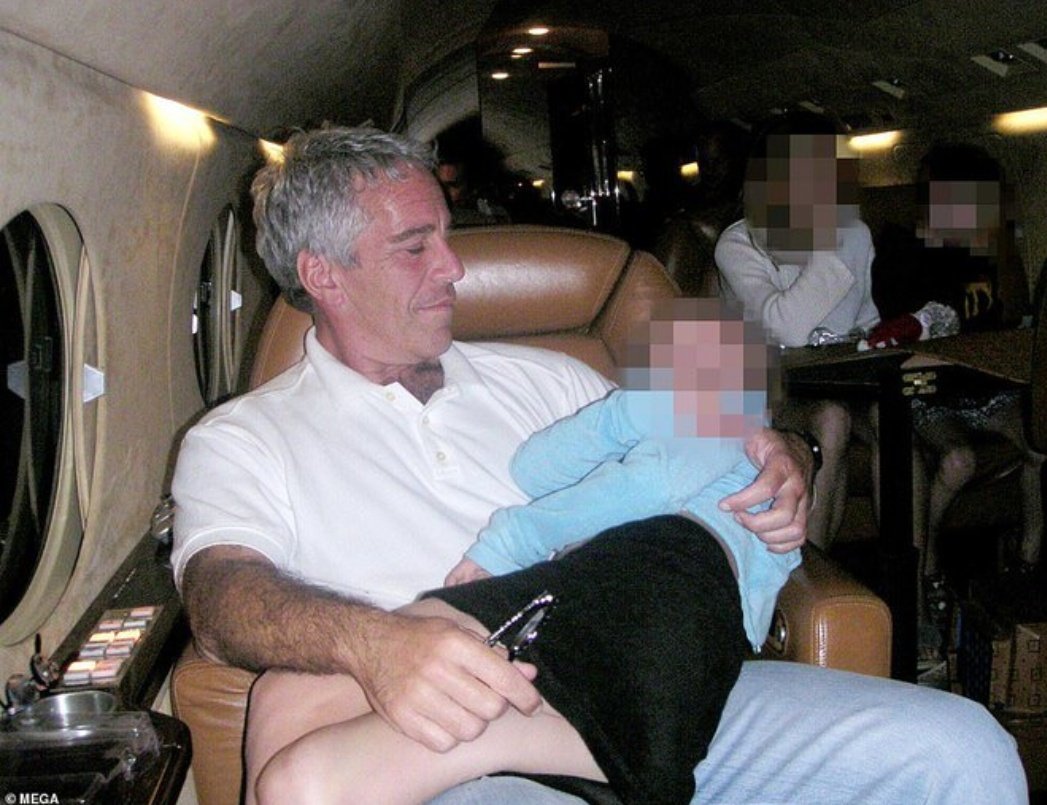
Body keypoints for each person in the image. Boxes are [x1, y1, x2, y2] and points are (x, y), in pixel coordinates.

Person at [171, 126, 1026, 805]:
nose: (455, 267)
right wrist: (376, 645)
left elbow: (689, 451)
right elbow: (221, 598)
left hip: (655, 677)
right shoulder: (243, 438)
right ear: (323, 274)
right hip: (429, 738)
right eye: (414, 247)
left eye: (448, 237)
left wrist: (781, 455)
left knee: (963, 752)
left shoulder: (548, 377)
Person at [871, 143, 1042, 659]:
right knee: (958, 460)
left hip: (983, 389)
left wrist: (1003, 247)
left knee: (1041, 443)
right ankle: (926, 569)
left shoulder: (988, 250)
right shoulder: (902, 249)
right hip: (929, 392)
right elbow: (902, 326)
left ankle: (1027, 564)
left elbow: (1011, 318)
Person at [715, 111, 880, 550]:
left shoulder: (854, 234)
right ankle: (810, 569)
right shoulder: (738, 243)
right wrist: (833, 245)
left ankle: (919, 578)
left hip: (841, 380)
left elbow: (866, 320)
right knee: (832, 418)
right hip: (765, 391)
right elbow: (785, 328)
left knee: (897, 422)